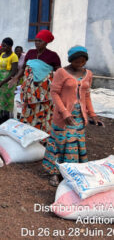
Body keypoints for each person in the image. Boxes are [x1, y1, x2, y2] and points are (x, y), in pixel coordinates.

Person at [42, 46, 103, 187]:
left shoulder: (88, 74)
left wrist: (92, 114)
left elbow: (86, 94)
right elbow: (54, 93)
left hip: (79, 117)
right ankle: (54, 172)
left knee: (74, 145)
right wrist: (64, 112)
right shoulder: (61, 72)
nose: (80, 64)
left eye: (83, 62)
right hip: (63, 116)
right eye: (76, 62)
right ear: (71, 60)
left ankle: (71, 172)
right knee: (59, 143)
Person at [9, 30, 61, 133]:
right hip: (29, 90)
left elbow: (59, 71)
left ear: (46, 43)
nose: (37, 43)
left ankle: (42, 136)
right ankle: (27, 133)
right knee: (28, 111)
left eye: (40, 41)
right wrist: (15, 78)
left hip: (44, 93)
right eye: (36, 40)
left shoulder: (52, 55)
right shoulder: (30, 53)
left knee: (42, 112)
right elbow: (23, 68)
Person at [0, 38, 18, 123]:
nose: (2, 47)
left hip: (7, 82)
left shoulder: (14, 56)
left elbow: (13, 72)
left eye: (4, 46)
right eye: (2, 45)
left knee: (5, 101)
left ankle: (5, 120)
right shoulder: (2, 54)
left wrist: (2, 82)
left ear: (10, 46)